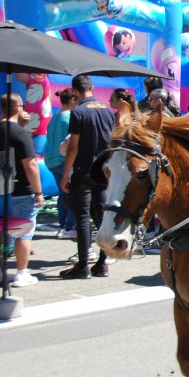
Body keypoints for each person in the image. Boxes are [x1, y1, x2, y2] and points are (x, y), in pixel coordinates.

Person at [60, 74, 115, 279]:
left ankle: (83, 265)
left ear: (74, 91)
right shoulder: (108, 111)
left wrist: (66, 174)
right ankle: (102, 263)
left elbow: (73, 147)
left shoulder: (79, 112)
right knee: (101, 217)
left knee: (83, 217)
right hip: (102, 170)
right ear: (91, 87)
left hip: (83, 171)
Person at [0, 93, 44, 287]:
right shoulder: (20, 134)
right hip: (21, 190)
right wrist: (38, 192)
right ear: (17, 108)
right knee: (24, 231)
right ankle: (21, 273)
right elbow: (30, 164)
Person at [46, 88, 78, 238]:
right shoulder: (69, 118)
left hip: (51, 160)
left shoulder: (55, 117)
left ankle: (62, 225)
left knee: (62, 193)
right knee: (72, 193)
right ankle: (69, 226)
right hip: (63, 160)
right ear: (72, 100)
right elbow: (71, 142)